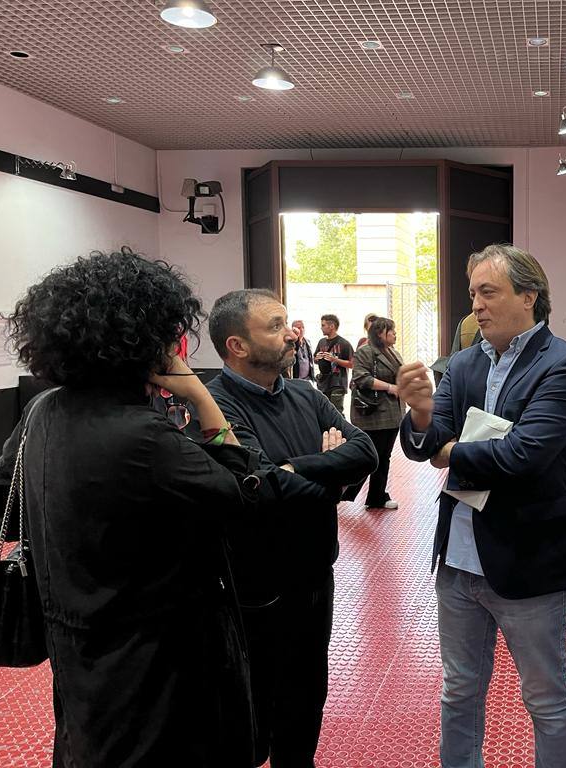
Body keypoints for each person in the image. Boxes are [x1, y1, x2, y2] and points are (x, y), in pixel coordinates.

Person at [0, 248, 272, 768]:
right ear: (144, 341)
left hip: (77, 651)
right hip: (157, 661)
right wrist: (203, 399)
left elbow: (1, 507)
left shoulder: (41, 410)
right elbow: (242, 496)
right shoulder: (142, 435)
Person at [397, 244, 566, 768]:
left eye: (489, 292)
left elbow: (523, 457)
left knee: (545, 698)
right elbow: (424, 444)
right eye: (472, 295)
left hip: (529, 562)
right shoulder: (461, 364)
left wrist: (448, 452)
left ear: (529, 296)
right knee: (459, 691)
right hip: (458, 562)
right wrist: (420, 416)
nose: (477, 306)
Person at [206, 290, 378, 768]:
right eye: (275, 325)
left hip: (315, 577)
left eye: (288, 322)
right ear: (237, 345)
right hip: (253, 590)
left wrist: (294, 470)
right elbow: (260, 489)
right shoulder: (216, 407)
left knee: (305, 704)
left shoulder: (305, 393)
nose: (291, 334)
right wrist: (330, 473)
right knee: (251, 713)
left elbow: (366, 452)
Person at [351, 317, 406, 510]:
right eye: (391, 331)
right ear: (380, 333)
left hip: (392, 413)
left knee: (383, 456)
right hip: (373, 413)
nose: (394, 334)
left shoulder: (393, 352)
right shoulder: (365, 352)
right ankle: (346, 490)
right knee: (371, 456)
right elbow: (361, 378)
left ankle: (377, 496)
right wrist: (390, 387)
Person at [314, 314, 353, 415]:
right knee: (323, 411)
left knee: (336, 412)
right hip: (323, 383)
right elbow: (314, 359)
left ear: (331, 326)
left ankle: (340, 430)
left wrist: (335, 360)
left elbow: (352, 364)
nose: (321, 328)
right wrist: (317, 358)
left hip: (337, 383)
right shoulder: (321, 342)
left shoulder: (344, 343)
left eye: (323, 325)